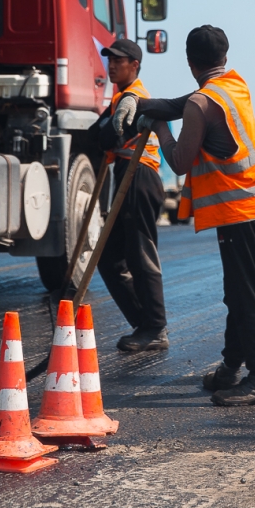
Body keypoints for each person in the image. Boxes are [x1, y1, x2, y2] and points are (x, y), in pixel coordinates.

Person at [114, 25, 255, 406]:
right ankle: (230, 368)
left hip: (237, 213)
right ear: (225, 57)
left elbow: (179, 161)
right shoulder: (234, 85)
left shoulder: (200, 103)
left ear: (189, 61)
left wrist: (158, 129)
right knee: (237, 294)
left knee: (246, 296)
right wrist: (137, 104)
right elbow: (178, 103)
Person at [91, 38, 169, 352]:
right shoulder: (119, 98)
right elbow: (95, 136)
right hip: (127, 174)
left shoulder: (136, 98)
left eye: (118, 61)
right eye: (109, 60)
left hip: (140, 177)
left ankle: (154, 327)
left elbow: (108, 135)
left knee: (140, 256)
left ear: (134, 65)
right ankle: (145, 324)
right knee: (110, 259)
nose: (111, 65)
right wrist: (104, 131)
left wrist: (105, 131)